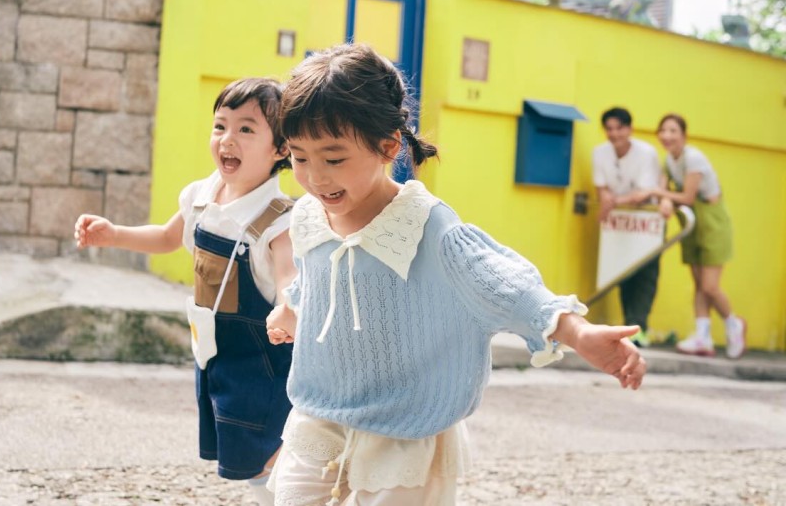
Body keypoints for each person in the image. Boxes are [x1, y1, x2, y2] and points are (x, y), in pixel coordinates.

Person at [264, 44, 647, 506]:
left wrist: (577, 331)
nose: (315, 177)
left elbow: (504, 283)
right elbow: (316, 277)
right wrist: (291, 309)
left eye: (334, 158)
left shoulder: (425, 225)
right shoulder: (308, 215)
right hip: (320, 409)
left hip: (407, 423)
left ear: (388, 146)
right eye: (300, 158)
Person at [75, 77, 295, 506]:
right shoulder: (200, 195)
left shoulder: (277, 218)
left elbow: (289, 278)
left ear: (281, 149)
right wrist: (114, 234)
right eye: (220, 126)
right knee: (243, 445)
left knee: (268, 449)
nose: (228, 139)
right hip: (216, 350)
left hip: (261, 358)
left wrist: (288, 308)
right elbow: (167, 237)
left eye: (246, 129)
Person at [651, 113, 746, 359]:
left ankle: (734, 324)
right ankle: (702, 336)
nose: (667, 136)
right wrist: (662, 196)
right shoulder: (669, 161)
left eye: (673, 131)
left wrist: (659, 193)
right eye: (663, 130)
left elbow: (687, 197)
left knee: (710, 286)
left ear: (684, 135)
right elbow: (664, 189)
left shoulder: (693, 158)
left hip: (712, 221)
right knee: (698, 284)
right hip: (691, 222)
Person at [591, 106, 663, 347]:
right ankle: (629, 326)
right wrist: (607, 201)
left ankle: (641, 326)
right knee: (622, 272)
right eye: (609, 129)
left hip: (646, 220)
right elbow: (601, 188)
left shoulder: (646, 153)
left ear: (629, 129)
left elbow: (643, 194)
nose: (614, 134)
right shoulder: (600, 153)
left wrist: (613, 202)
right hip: (620, 222)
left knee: (646, 274)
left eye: (619, 128)